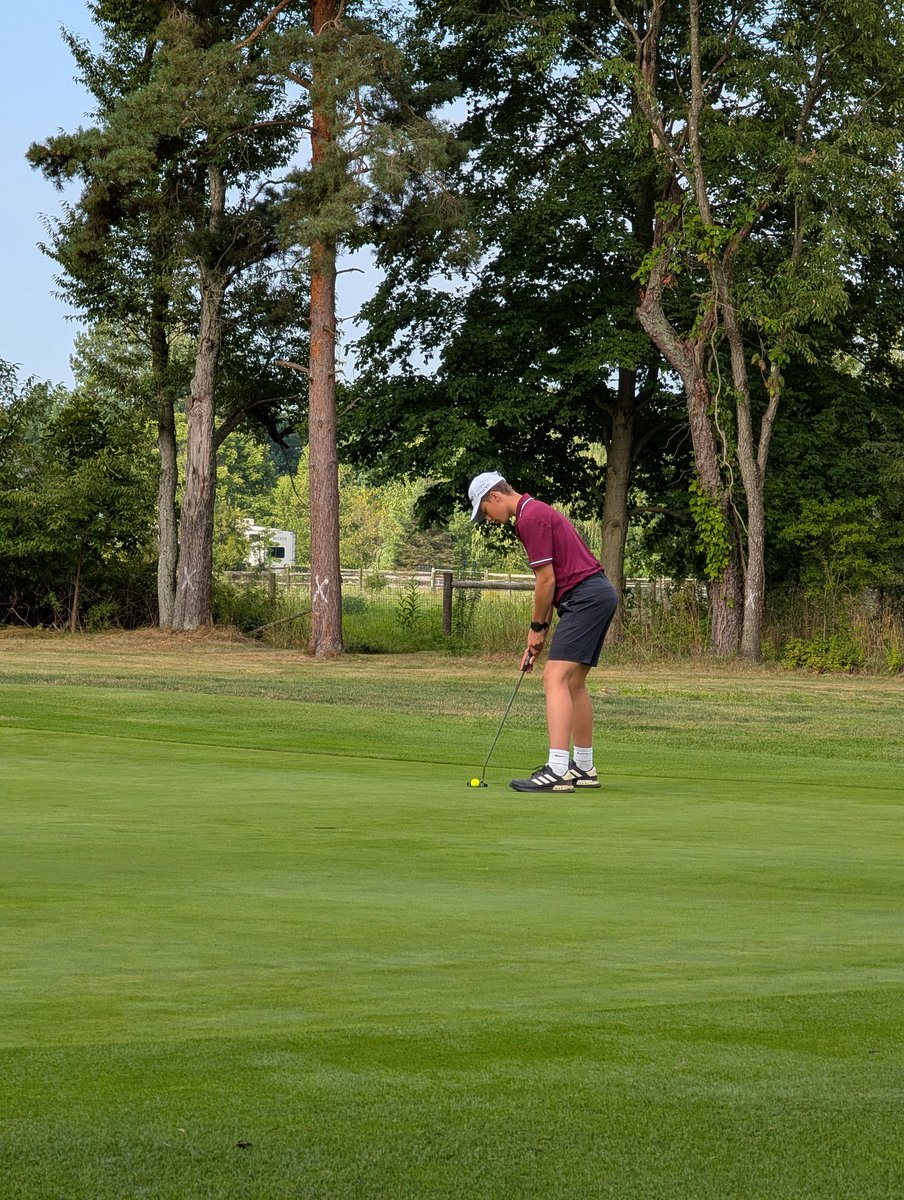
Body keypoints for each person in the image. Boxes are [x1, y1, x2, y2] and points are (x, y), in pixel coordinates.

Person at [468, 471, 618, 794]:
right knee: (573, 682)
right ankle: (584, 767)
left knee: (554, 678)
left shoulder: (529, 518)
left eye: (484, 511)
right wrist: (539, 635)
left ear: (495, 496)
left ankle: (558, 770)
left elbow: (546, 581)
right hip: (596, 594)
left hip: (584, 597)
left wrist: (536, 628)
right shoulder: (534, 511)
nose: (487, 519)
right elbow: (550, 584)